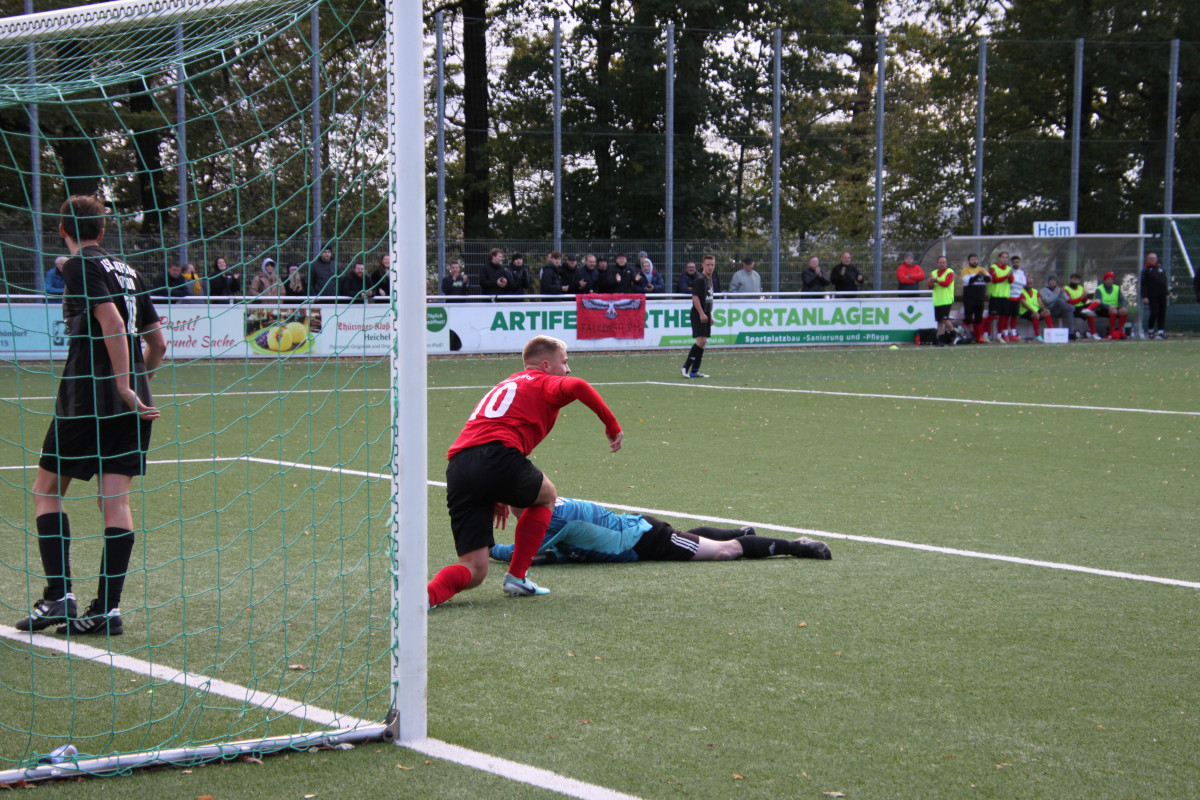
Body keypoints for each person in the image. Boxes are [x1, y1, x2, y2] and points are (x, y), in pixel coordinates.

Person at [15, 195, 166, 637]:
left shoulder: (82, 267)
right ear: (103, 230)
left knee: (46, 490)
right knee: (114, 500)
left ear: (63, 229)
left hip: (86, 399)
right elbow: (156, 343)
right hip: (135, 402)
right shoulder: (130, 271)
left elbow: (113, 323)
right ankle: (107, 610)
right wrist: (136, 384)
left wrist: (118, 384)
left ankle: (59, 595)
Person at [428, 335, 624, 607]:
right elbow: (578, 385)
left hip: (460, 464)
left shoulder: (508, 382)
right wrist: (612, 427)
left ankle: (422, 597)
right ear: (545, 365)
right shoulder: (545, 382)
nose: (568, 369)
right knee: (546, 495)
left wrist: (495, 491)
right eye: (564, 362)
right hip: (497, 455)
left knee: (474, 570)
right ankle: (517, 577)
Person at [488, 497, 832, 565]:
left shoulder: (547, 522)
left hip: (644, 538)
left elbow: (522, 555)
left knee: (726, 552)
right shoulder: (547, 504)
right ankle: (739, 530)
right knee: (681, 539)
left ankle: (795, 547)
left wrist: (486, 548)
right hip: (640, 535)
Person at [681, 254, 715, 379]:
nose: (710, 267)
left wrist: (709, 314)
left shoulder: (710, 279)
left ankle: (695, 370)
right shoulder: (700, 279)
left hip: (706, 313)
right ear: (703, 265)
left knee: (703, 342)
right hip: (697, 314)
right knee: (701, 340)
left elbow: (708, 298)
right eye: (708, 265)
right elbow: (695, 298)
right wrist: (701, 313)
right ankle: (686, 366)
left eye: (712, 265)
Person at [959, 254, 989, 342]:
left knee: (978, 317)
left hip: (980, 298)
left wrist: (983, 275)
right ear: (969, 261)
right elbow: (968, 281)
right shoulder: (966, 270)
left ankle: (978, 337)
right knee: (968, 317)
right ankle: (965, 336)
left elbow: (989, 279)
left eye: (976, 259)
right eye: (972, 259)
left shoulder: (982, 269)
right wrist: (978, 275)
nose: (974, 261)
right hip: (970, 298)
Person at [927, 255, 955, 345]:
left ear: (946, 263)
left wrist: (936, 280)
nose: (942, 264)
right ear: (937, 263)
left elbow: (946, 283)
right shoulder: (934, 272)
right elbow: (930, 287)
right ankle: (941, 338)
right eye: (940, 262)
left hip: (946, 299)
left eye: (944, 262)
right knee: (939, 321)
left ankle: (954, 334)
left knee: (945, 319)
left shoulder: (950, 272)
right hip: (937, 300)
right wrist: (931, 281)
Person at [1064, 273, 1100, 340]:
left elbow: (1084, 301)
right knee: (1089, 312)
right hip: (1072, 308)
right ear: (1071, 279)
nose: (1075, 281)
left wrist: (1087, 297)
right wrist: (1081, 297)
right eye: (1074, 279)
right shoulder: (1066, 289)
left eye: (1077, 280)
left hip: (1081, 307)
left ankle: (1094, 333)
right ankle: (1081, 331)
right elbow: (1070, 302)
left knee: (1097, 302)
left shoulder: (1080, 288)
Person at [987, 251, 1013, 343]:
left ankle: (999, 335)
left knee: (1004, 316)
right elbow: (994, 280)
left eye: (1006, 257)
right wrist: (1006, 276)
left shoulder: (1009, 268)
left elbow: (1011, 281)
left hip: (1005, 296)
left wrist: (1009, 276)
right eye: (1003, 257)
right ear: (999, 258)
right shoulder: (993, 267)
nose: (1004, 259)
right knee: (991, 316)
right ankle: (986, 334)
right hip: (995, 295)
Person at [1140, 252, 1167, 339]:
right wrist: (1144, 296)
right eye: (1150, 258)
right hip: (1152, 295)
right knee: (1154, 312)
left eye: (1154, 258)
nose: (1152, 260)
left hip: (1162, 294)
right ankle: (1151, 330)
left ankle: (1161, 331)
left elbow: (1164, 281)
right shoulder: (1146, 270)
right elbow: (1143, 284)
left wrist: (1167, 293)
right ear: (1147, 259)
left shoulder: (1161, 268)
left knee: (1162, 313)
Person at [1094, 271, 1128, 340]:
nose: (1110, 281)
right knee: (1113, 310)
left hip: (1113, 308)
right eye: (1108, 279)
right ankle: (1112, 332)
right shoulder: (1099, 289)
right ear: (1105, 280)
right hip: (1102, 309)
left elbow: (1122, 299)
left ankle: (1120, 331)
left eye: (1111, 279)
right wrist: (1108, 306)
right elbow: (1098, 302)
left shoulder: (1116, 288)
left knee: (1124, 310)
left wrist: (1123, 306)